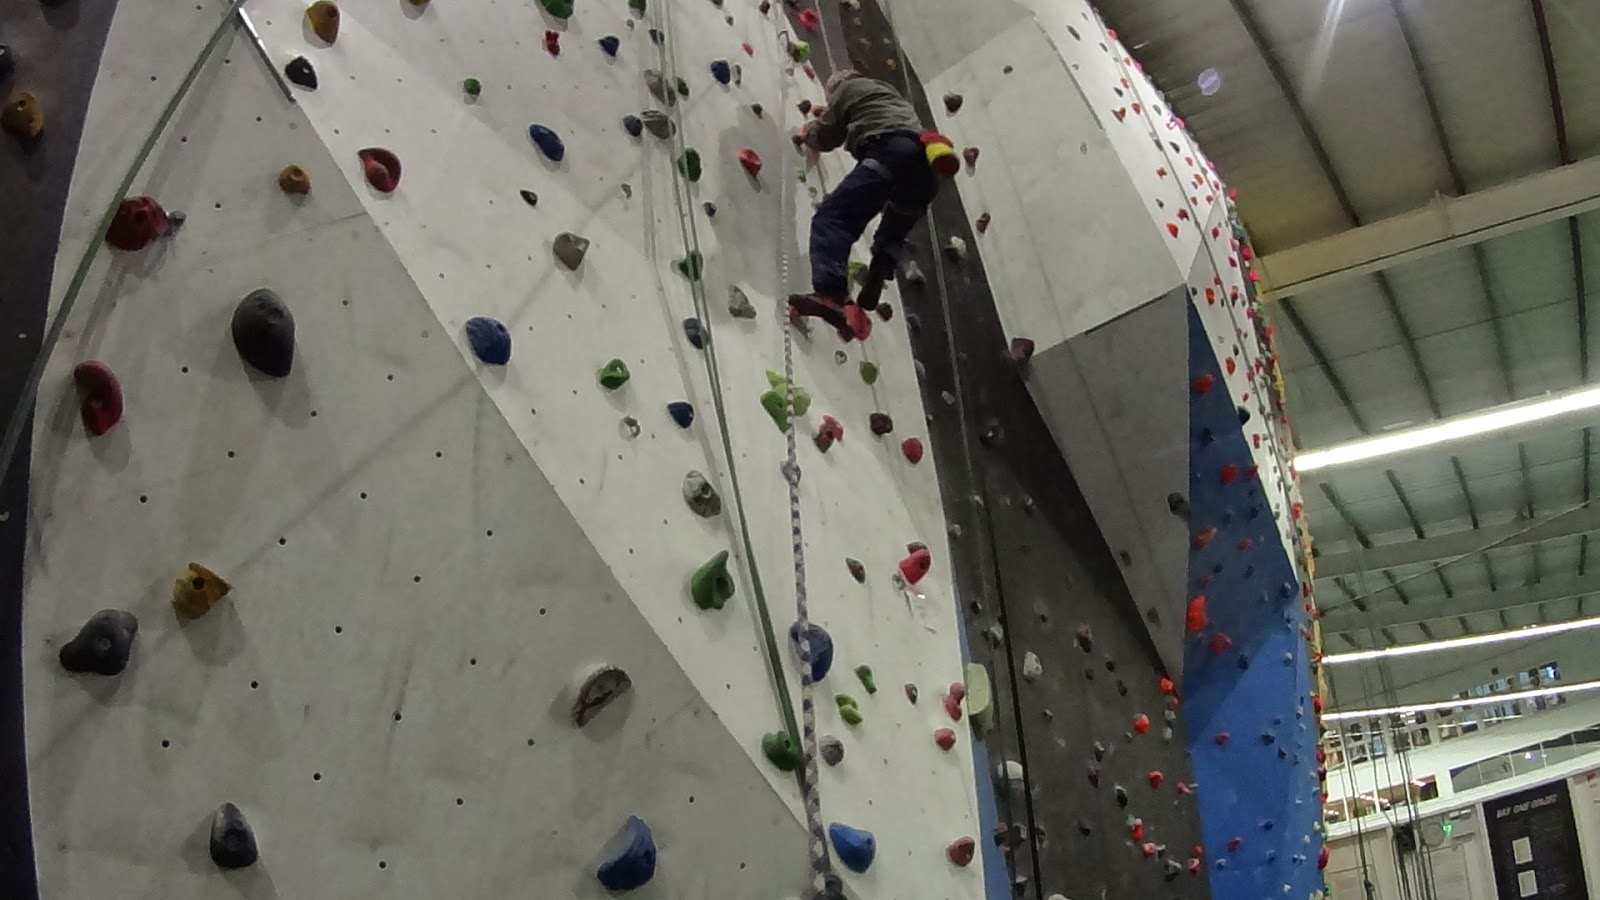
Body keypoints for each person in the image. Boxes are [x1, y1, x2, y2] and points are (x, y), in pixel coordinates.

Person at [788, 69, 958, 340]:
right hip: (924, 171)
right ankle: (881, 265)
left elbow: (828, 136)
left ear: (834, 89)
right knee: (894, 228)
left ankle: (830, 294)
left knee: (833, 219)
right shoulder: (888, 95)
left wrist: (809, 134)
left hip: (890, 150)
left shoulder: (846, 89)